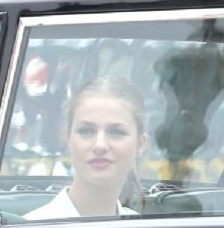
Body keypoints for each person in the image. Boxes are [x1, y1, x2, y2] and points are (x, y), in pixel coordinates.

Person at [25, 75, 147, 219]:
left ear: (140, 144)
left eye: (116, 132)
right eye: (86, 131)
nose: (100, 145)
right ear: (68, 138)